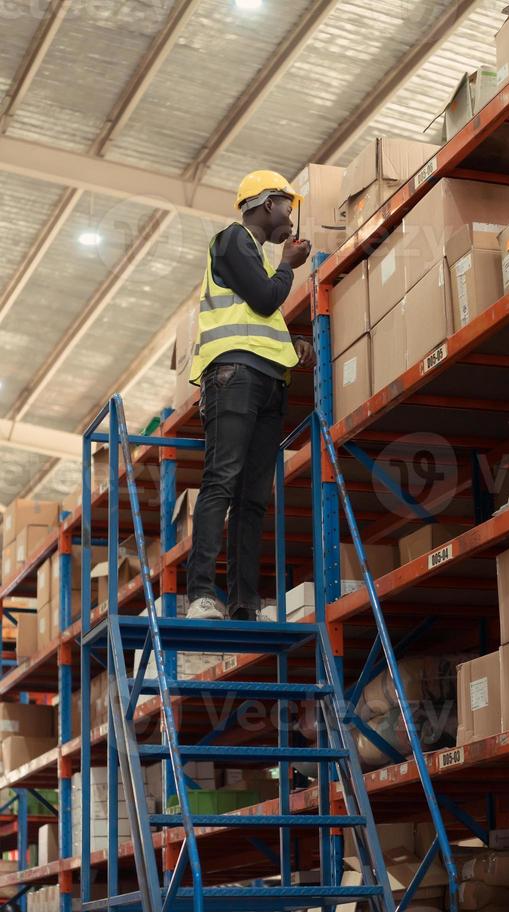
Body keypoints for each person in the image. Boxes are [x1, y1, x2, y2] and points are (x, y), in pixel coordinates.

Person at [186, 170, 315, 621]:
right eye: (286, 205)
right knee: (222, 480)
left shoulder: (256, 258)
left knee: (253, 496)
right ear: (265, 204)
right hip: (233, 377)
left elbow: (261, 317)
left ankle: (243, 601)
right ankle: (201, 592)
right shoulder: (232, 240)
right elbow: (263, 299)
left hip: (267, 381)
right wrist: (287, 264)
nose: (290, 216)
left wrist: (290, 346)